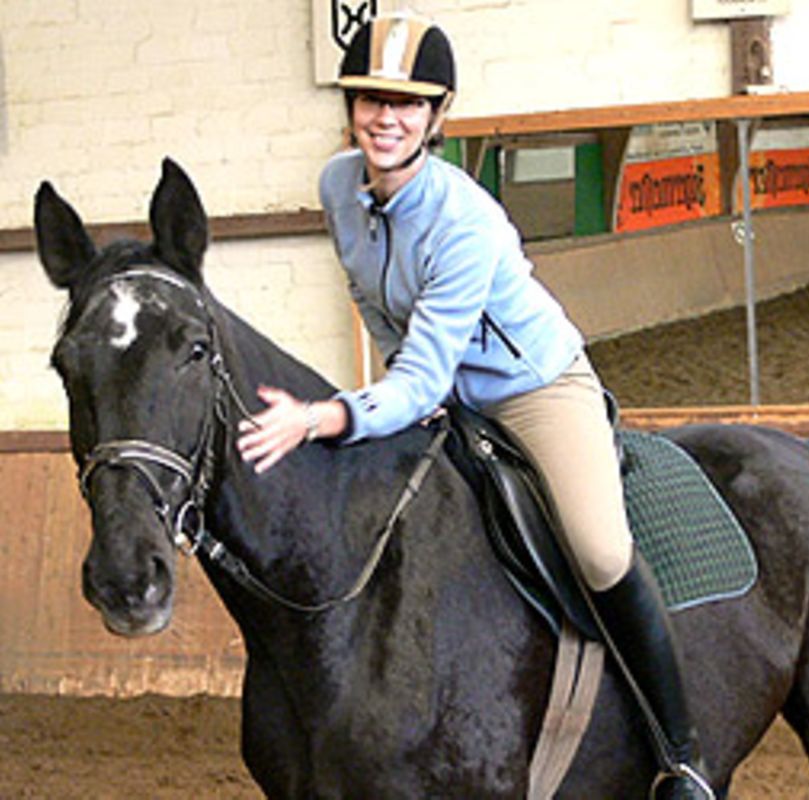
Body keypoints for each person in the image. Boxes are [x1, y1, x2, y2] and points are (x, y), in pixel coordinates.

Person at [237, 12, 713, 799]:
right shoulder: (335, 186)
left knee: (597, 549)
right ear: (351, 105)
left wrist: (324, 416)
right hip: (438, 389)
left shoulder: (465, 219)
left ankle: (679, 753)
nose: (387, 119)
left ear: (437, 116)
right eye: (372, 100)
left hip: (532, 388)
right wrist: (397, 388)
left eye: (409, 104)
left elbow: (422, 379)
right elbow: (383, 311)